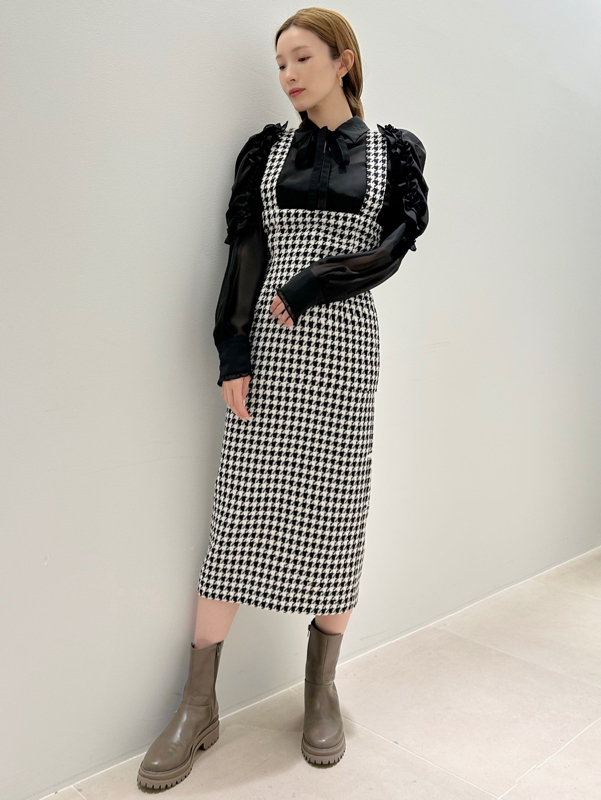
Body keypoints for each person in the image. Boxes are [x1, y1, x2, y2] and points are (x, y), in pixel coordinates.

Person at [137, 7, 429, 790]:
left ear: (342, 60)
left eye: (301, 58)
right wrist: (231, 351)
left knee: (335, 513)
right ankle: (198, 704)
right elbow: (244, 252)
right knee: (238, 516)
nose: (287, 75)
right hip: (268, 352)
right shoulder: (265, 152)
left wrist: (313, 283)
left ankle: (320, 689)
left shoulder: (392, 152)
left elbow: (391, 249)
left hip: (343, 352)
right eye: (278, 64)